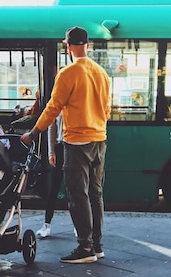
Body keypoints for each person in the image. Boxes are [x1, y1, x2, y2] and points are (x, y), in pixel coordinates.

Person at [20, 26, 110, 264]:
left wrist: (33, 132)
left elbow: (53, 108)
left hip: (77, 142)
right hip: (100, 140)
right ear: (87, 45)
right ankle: (98, 245)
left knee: (77, 195)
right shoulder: (102, 73)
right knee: (96, 194)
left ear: (68, 47)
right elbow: (107, 110)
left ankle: (85, 247)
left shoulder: (68, 74)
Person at [36, 112, 64, 238]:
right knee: (54, 188)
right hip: (61, 147)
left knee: (76, 190)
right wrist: (51, 152)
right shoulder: (58, 102)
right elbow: (51, 128)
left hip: (74, 148)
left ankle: (79, 226)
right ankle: (47, 224)